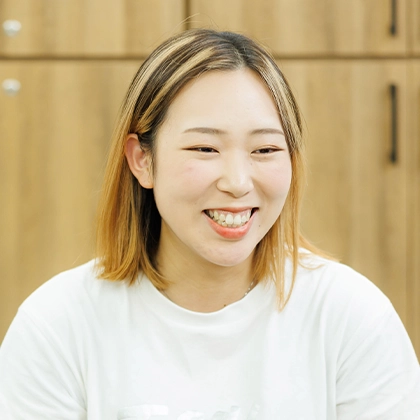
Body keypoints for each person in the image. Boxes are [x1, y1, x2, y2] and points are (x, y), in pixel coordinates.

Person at [0, 29, 419, 420]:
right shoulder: (57, 325)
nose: (237, 182)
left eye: (265, 149)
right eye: (205, 148)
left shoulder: (351, 316)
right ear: (142, 160)